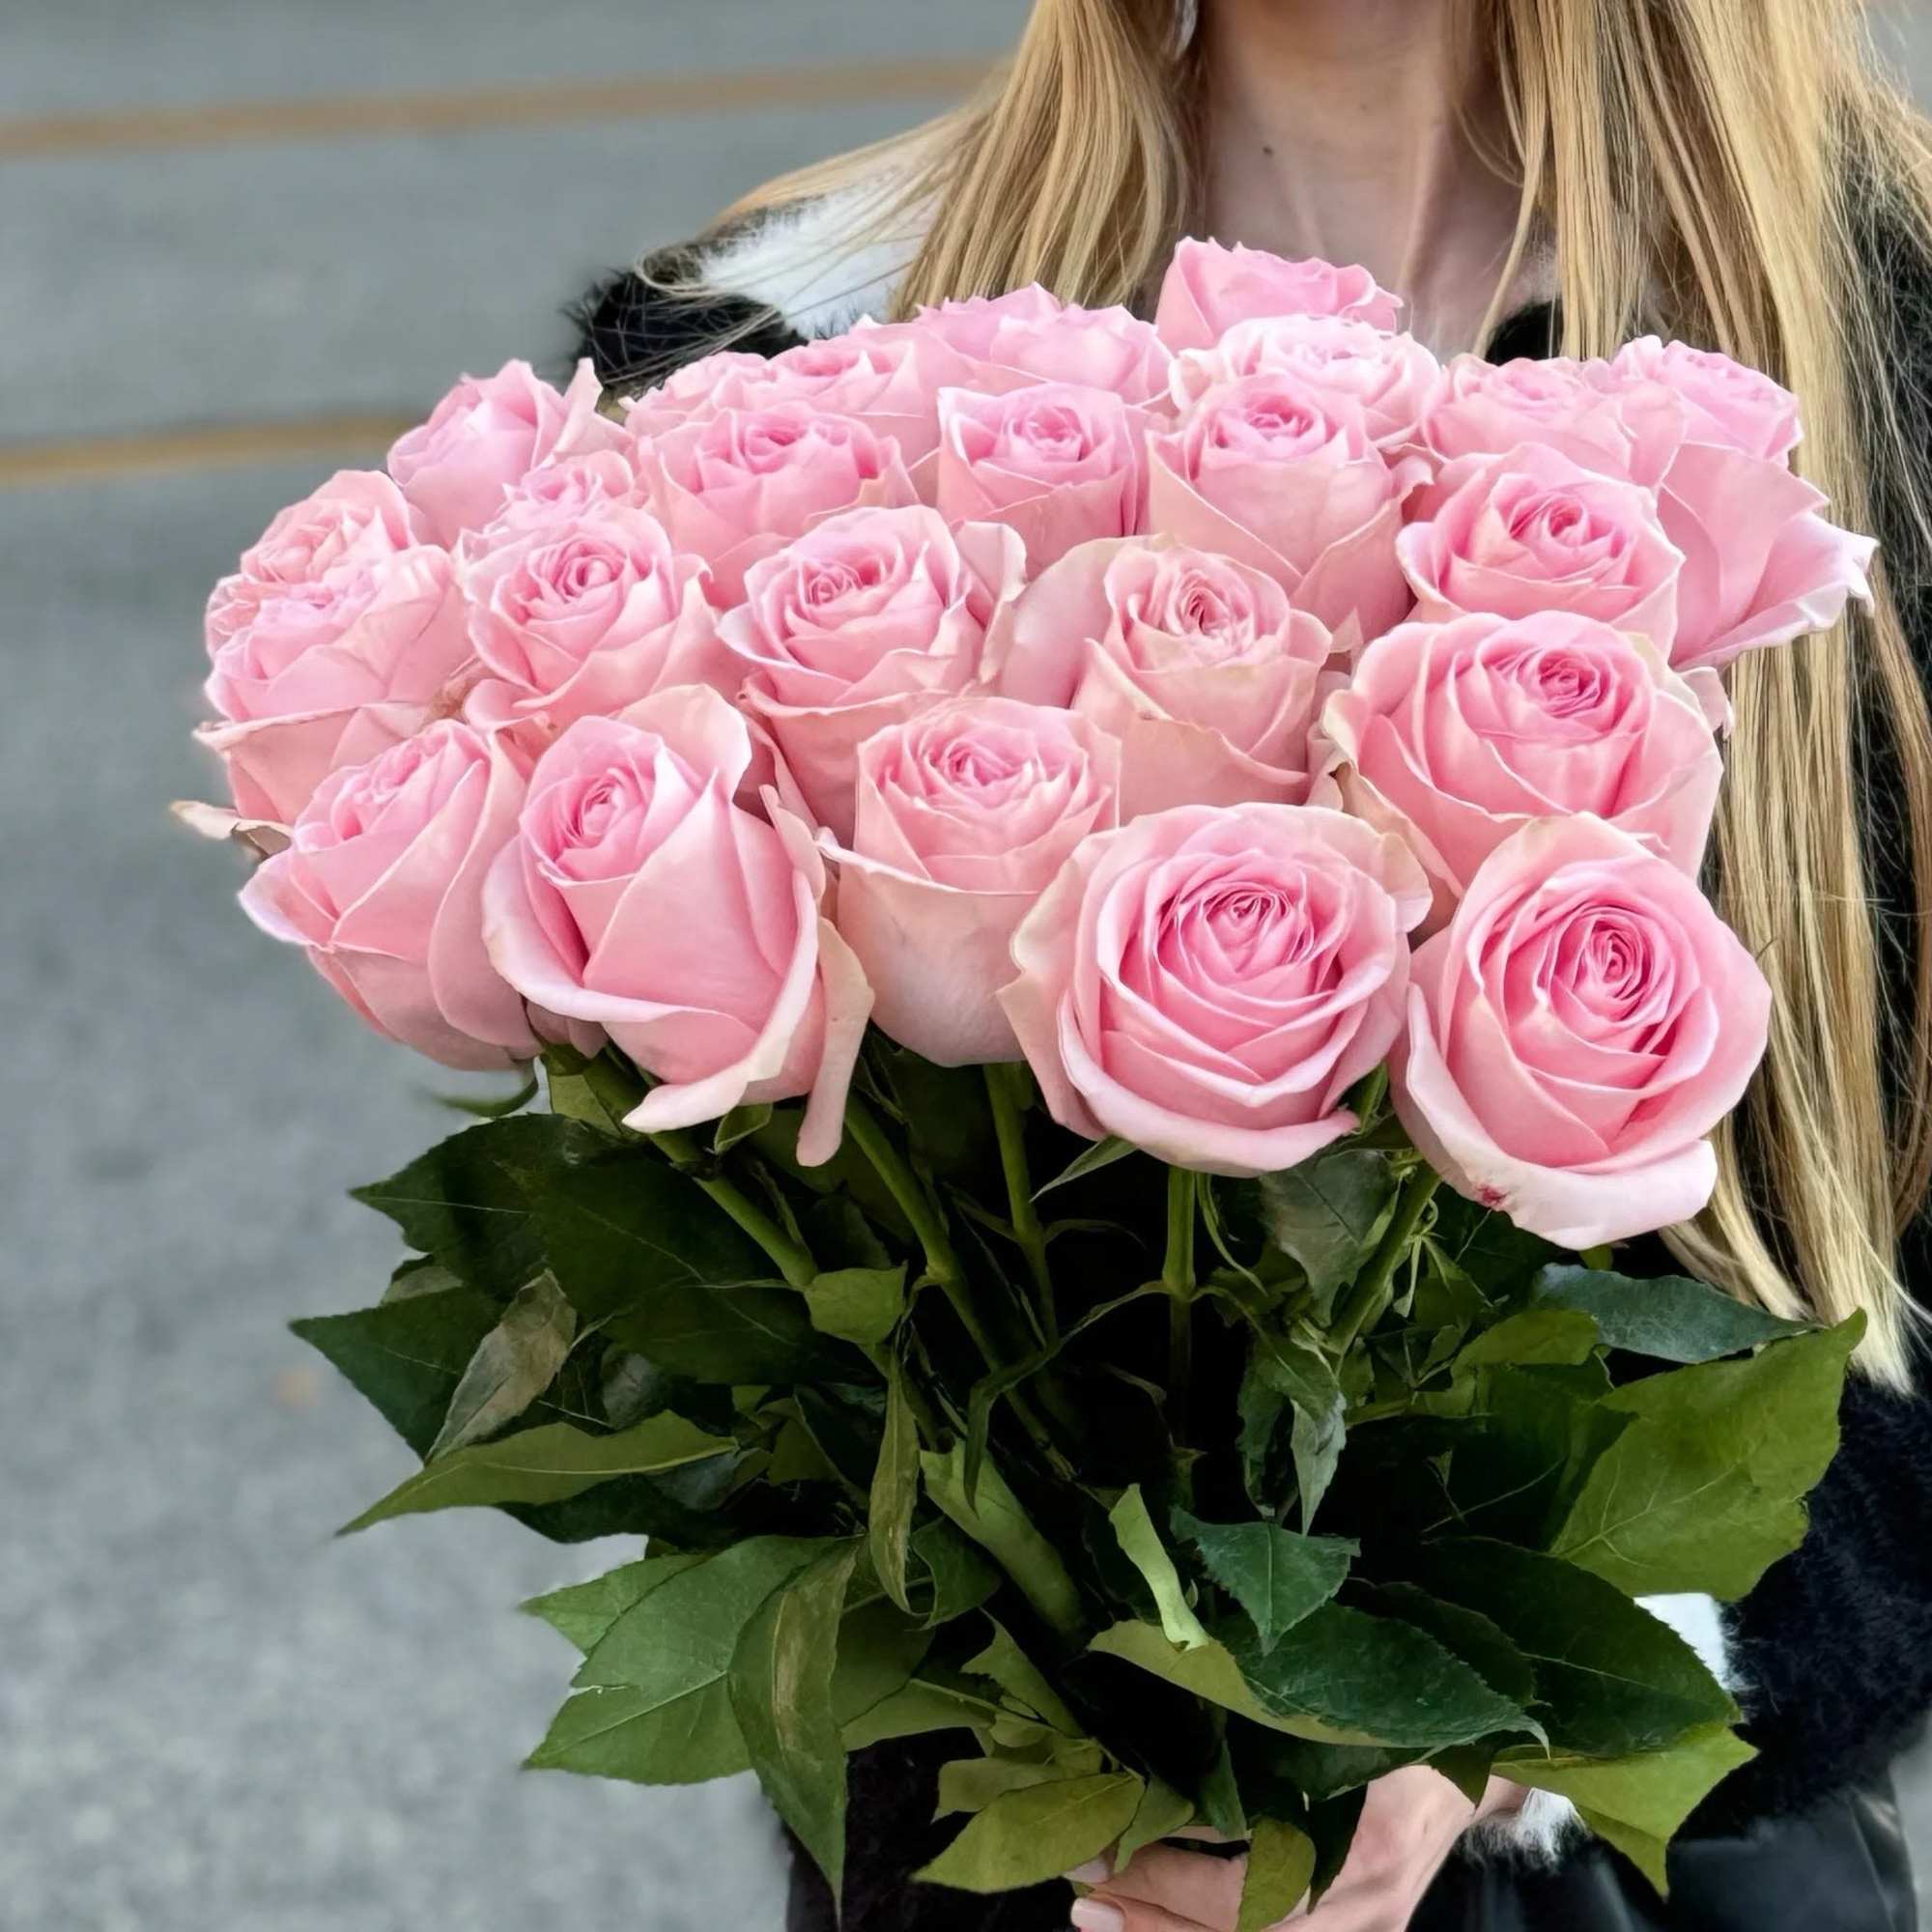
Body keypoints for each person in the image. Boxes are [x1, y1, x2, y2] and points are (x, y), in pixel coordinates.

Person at [573, 1, 1932, 1924]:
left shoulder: (1893, 348)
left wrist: (1487, 1697)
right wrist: (1080, 1718)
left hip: (1660, 1872)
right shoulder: (779, 376)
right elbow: (712, 1304)